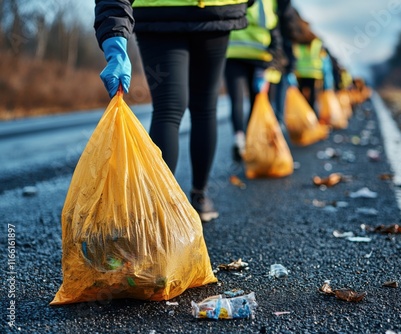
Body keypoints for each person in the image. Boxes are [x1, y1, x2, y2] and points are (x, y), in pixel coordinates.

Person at [94, 0, 253, 222]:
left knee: (167, 109)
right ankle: (200, 198)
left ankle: (158, 210)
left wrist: (114, 39)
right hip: (214, 12)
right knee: (205, 108)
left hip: (158, 13)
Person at [224, 0, 282, 161]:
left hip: (233, 53)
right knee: (257, 100)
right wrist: (273, 59)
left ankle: (239, 138)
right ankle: (251, 139)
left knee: (236, 100)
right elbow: (273, 28)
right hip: (259, 57)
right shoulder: (267, 2)